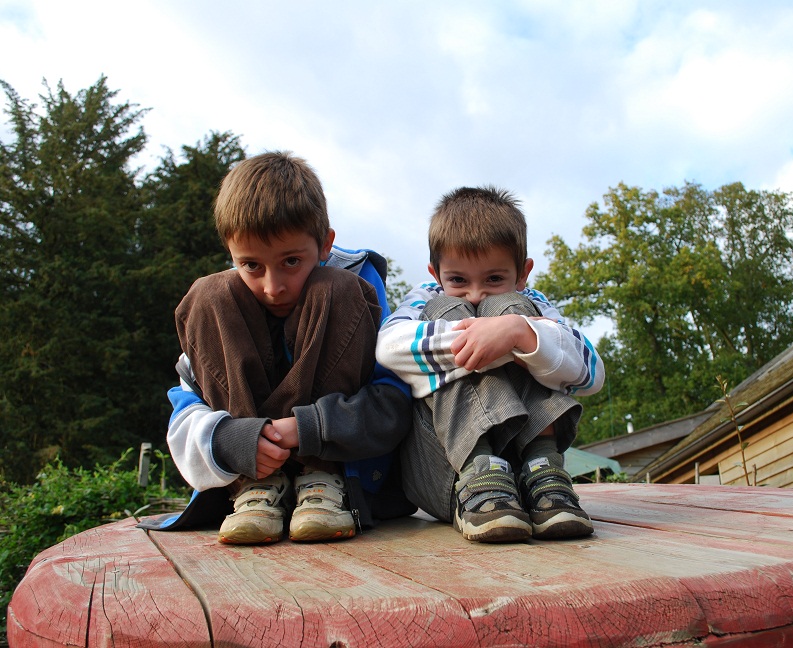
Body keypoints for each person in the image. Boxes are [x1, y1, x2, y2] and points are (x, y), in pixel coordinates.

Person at [138, 152, 414, 544]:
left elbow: (394, 401)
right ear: (231, 255)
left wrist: (309, 429)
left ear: (324, 244)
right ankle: (257, 485)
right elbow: (185, 409)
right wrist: (233, 440)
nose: (272, 286)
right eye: (251, 265)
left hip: (347, 473)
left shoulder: (355, 288)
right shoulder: (218, 307)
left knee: (334, 286)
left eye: (290, 261)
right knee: (208, 291)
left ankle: (320, 477)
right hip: (243, 480)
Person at [376, 186, 604, 543]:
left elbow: (592, 373)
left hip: (525, 480)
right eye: (458, 280)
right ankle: (479, 469)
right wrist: (487, 342)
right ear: (435, 273)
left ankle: (543, 469)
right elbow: (388, 348)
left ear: (523, 272)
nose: (476, 294)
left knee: (515, 313)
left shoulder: (531, 301)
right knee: (447, 311)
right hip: (445, 471)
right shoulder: (427, 296)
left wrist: (517, 332)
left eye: (494, 279)